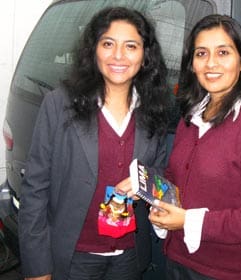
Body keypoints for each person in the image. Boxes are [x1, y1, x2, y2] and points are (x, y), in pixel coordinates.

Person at [18, 6, 169, 280]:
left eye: (131, 46)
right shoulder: (60, 103)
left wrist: (144, 183)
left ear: (145, 55)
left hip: (129, 256)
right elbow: (34, 189)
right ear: (94, 50)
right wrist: (37, 266)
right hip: (73, 256)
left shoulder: (152, 108)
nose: (119, 55)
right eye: (108, 43)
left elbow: (159, 170)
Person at [149, 14, 241, 280]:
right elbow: (175, 177)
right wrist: (155, 197)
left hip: (224, 272)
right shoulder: (190, 117)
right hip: (176, 258)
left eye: (223, 52)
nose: (211, 63)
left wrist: (188, 221)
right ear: (192, 64)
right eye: (201, 53)